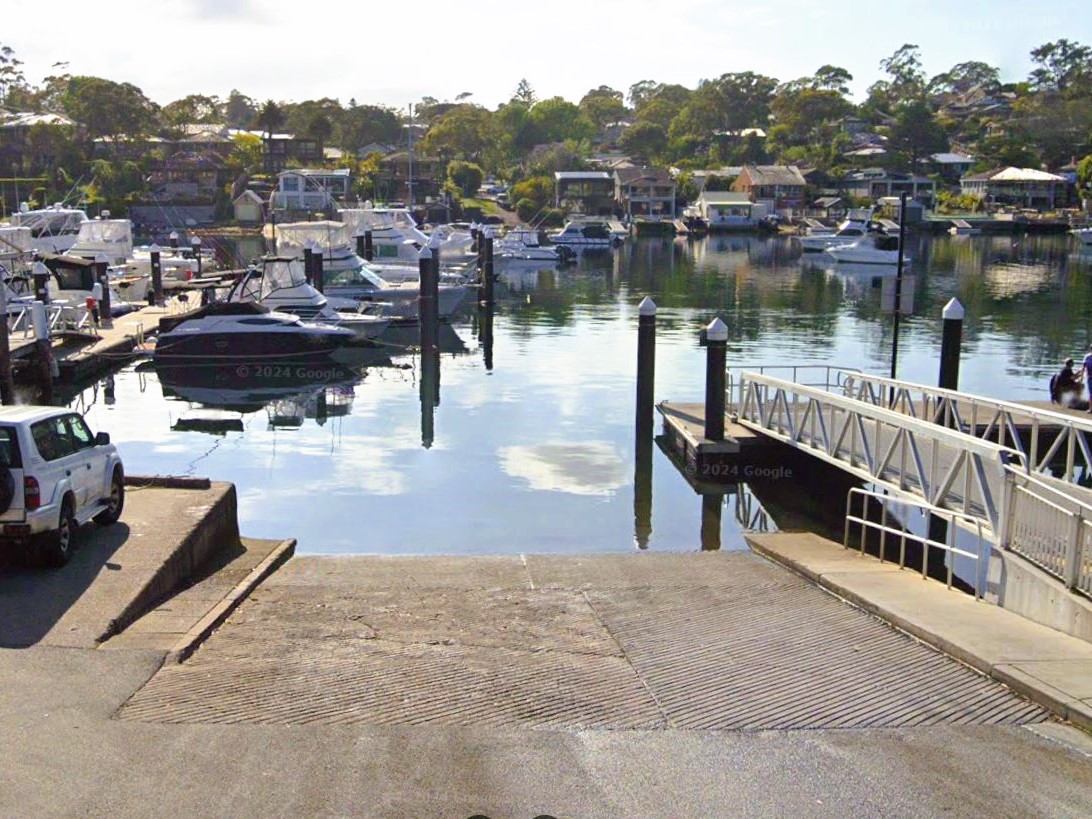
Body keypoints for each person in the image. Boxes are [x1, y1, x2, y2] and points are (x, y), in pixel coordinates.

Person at [1083, 346, 1092, 413]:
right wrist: (1081, 377)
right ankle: (1090, 408)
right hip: (1090, 377)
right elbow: (1083, 367)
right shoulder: (1087, 356)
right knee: (1091, 393)